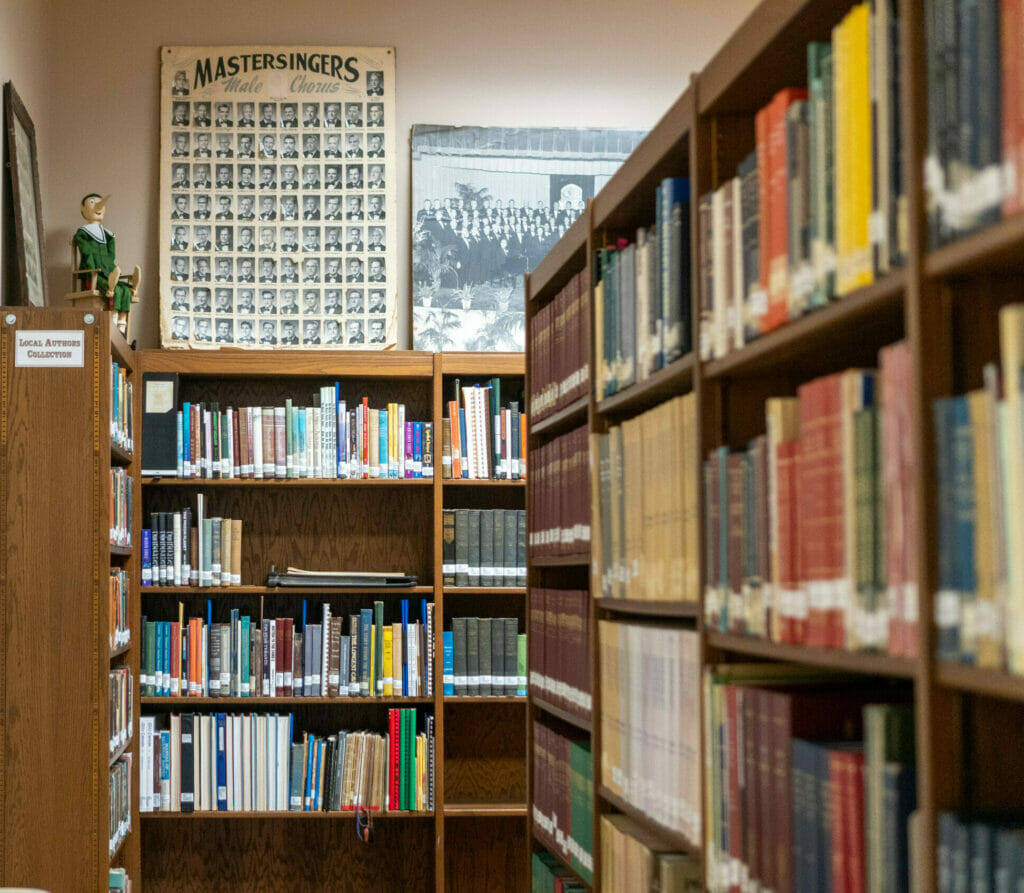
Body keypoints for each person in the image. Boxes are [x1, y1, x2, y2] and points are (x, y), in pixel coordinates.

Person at [74, 194, 140, 333]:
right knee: (114, 290)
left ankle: (121, 326)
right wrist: (93, 269)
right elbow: (86, 252)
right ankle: (114, 321)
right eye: (92, 203)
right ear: (83, 209)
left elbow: (111, 256)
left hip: (108, 271)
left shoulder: (108, 235)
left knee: (125, 290)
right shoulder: (83, 233)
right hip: (93, 274)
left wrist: (111, 269)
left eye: (101, 204)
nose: (98, 206)